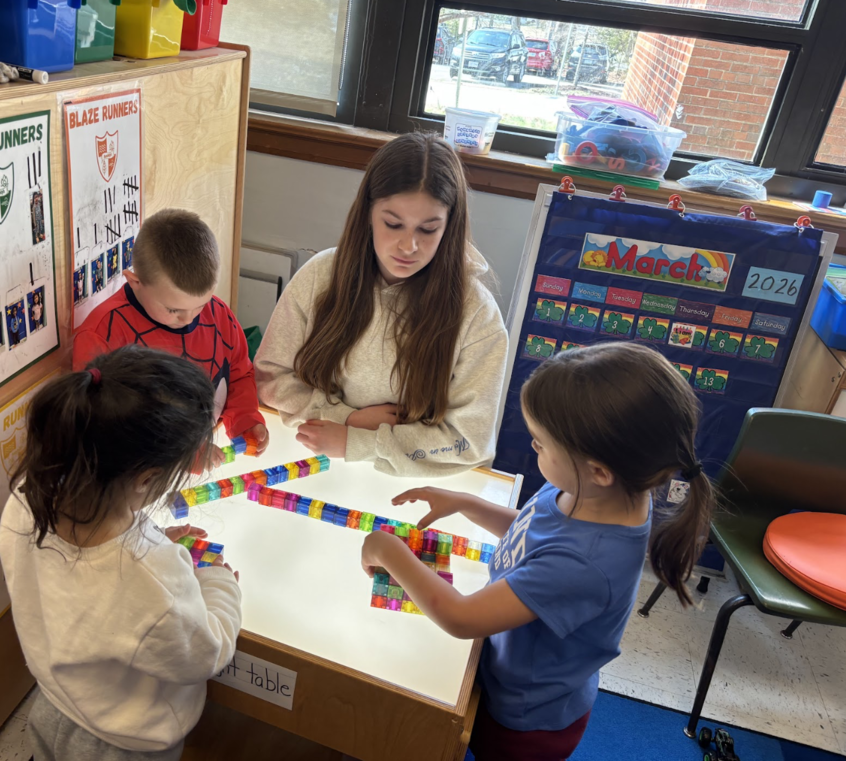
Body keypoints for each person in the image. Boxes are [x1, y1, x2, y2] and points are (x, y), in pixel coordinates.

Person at [361, 342, 715, 760]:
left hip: (525, 722)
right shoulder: (595, 489)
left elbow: (461, 618)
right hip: (509, 673)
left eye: (540, 444)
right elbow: (536, 531)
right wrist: (466, 503)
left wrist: (386, 550)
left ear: (599, 470)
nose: (534, 450)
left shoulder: (585, 561)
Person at [0, 346, 242, 761]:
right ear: (146, 479)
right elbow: (205, 652)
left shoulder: (26, 502)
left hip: (53, 706)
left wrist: (154, 539)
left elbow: (90, 586)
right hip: (124, 743)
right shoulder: (152, 579)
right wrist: (218, 584)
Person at [254, 132, 507, 476]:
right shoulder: (321, 275)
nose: (408, 246)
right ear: (368, 213)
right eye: (393, 224)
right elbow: (270, 377)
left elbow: (469, 442)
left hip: (404, 483)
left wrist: (357, 441)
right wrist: (346, 421)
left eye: (428, 230)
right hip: (313, 456)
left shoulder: (477, 314)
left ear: (450, 227)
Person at [73, 209, 269, 467]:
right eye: (173, 310)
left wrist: (246, 419)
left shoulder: (219, 314)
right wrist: (180, 455)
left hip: (204, 453)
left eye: (200, 305)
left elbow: (238, 374)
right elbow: (104, 425)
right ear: (135, 282)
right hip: (141, 473)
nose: (188, 319)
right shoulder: (103, 334)